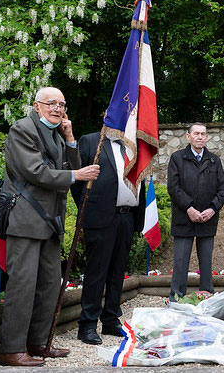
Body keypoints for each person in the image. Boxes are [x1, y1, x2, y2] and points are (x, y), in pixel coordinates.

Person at [0, 87, 100, 367]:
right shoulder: (22, 129)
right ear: (37, 105)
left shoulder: (56, 134)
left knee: (49, 285)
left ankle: (37, 342)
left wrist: (69, 138)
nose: (57, 108)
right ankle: (11, 349)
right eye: (51, 103)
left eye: (61, 104)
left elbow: (72, 168)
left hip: (49, 222)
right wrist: (75, 174)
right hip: (26, 221)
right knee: (23, 286)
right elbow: (36, 172)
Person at [71, 132, 146, 345]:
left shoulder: (132, 144)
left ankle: (111, 319)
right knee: (96, 272)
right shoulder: (91, 141)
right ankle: (87, 325)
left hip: (127, 216)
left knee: (117, 272)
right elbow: (77, 180)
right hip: (101, 217)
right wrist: (88, 207)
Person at [167, 123, 224, 301]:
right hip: (184, 217)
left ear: (207, 137)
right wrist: (189, 208)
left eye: (203, 134)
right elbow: (173, 187)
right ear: (188, 136)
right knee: (180, 262)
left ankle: (207, 298)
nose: (200, 136)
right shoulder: (177, 158)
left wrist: (212, 208)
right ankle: (176, 299)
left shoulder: (214, 160)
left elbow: (223, 190)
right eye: (196, 133)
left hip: (207, 218)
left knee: (206, 263)